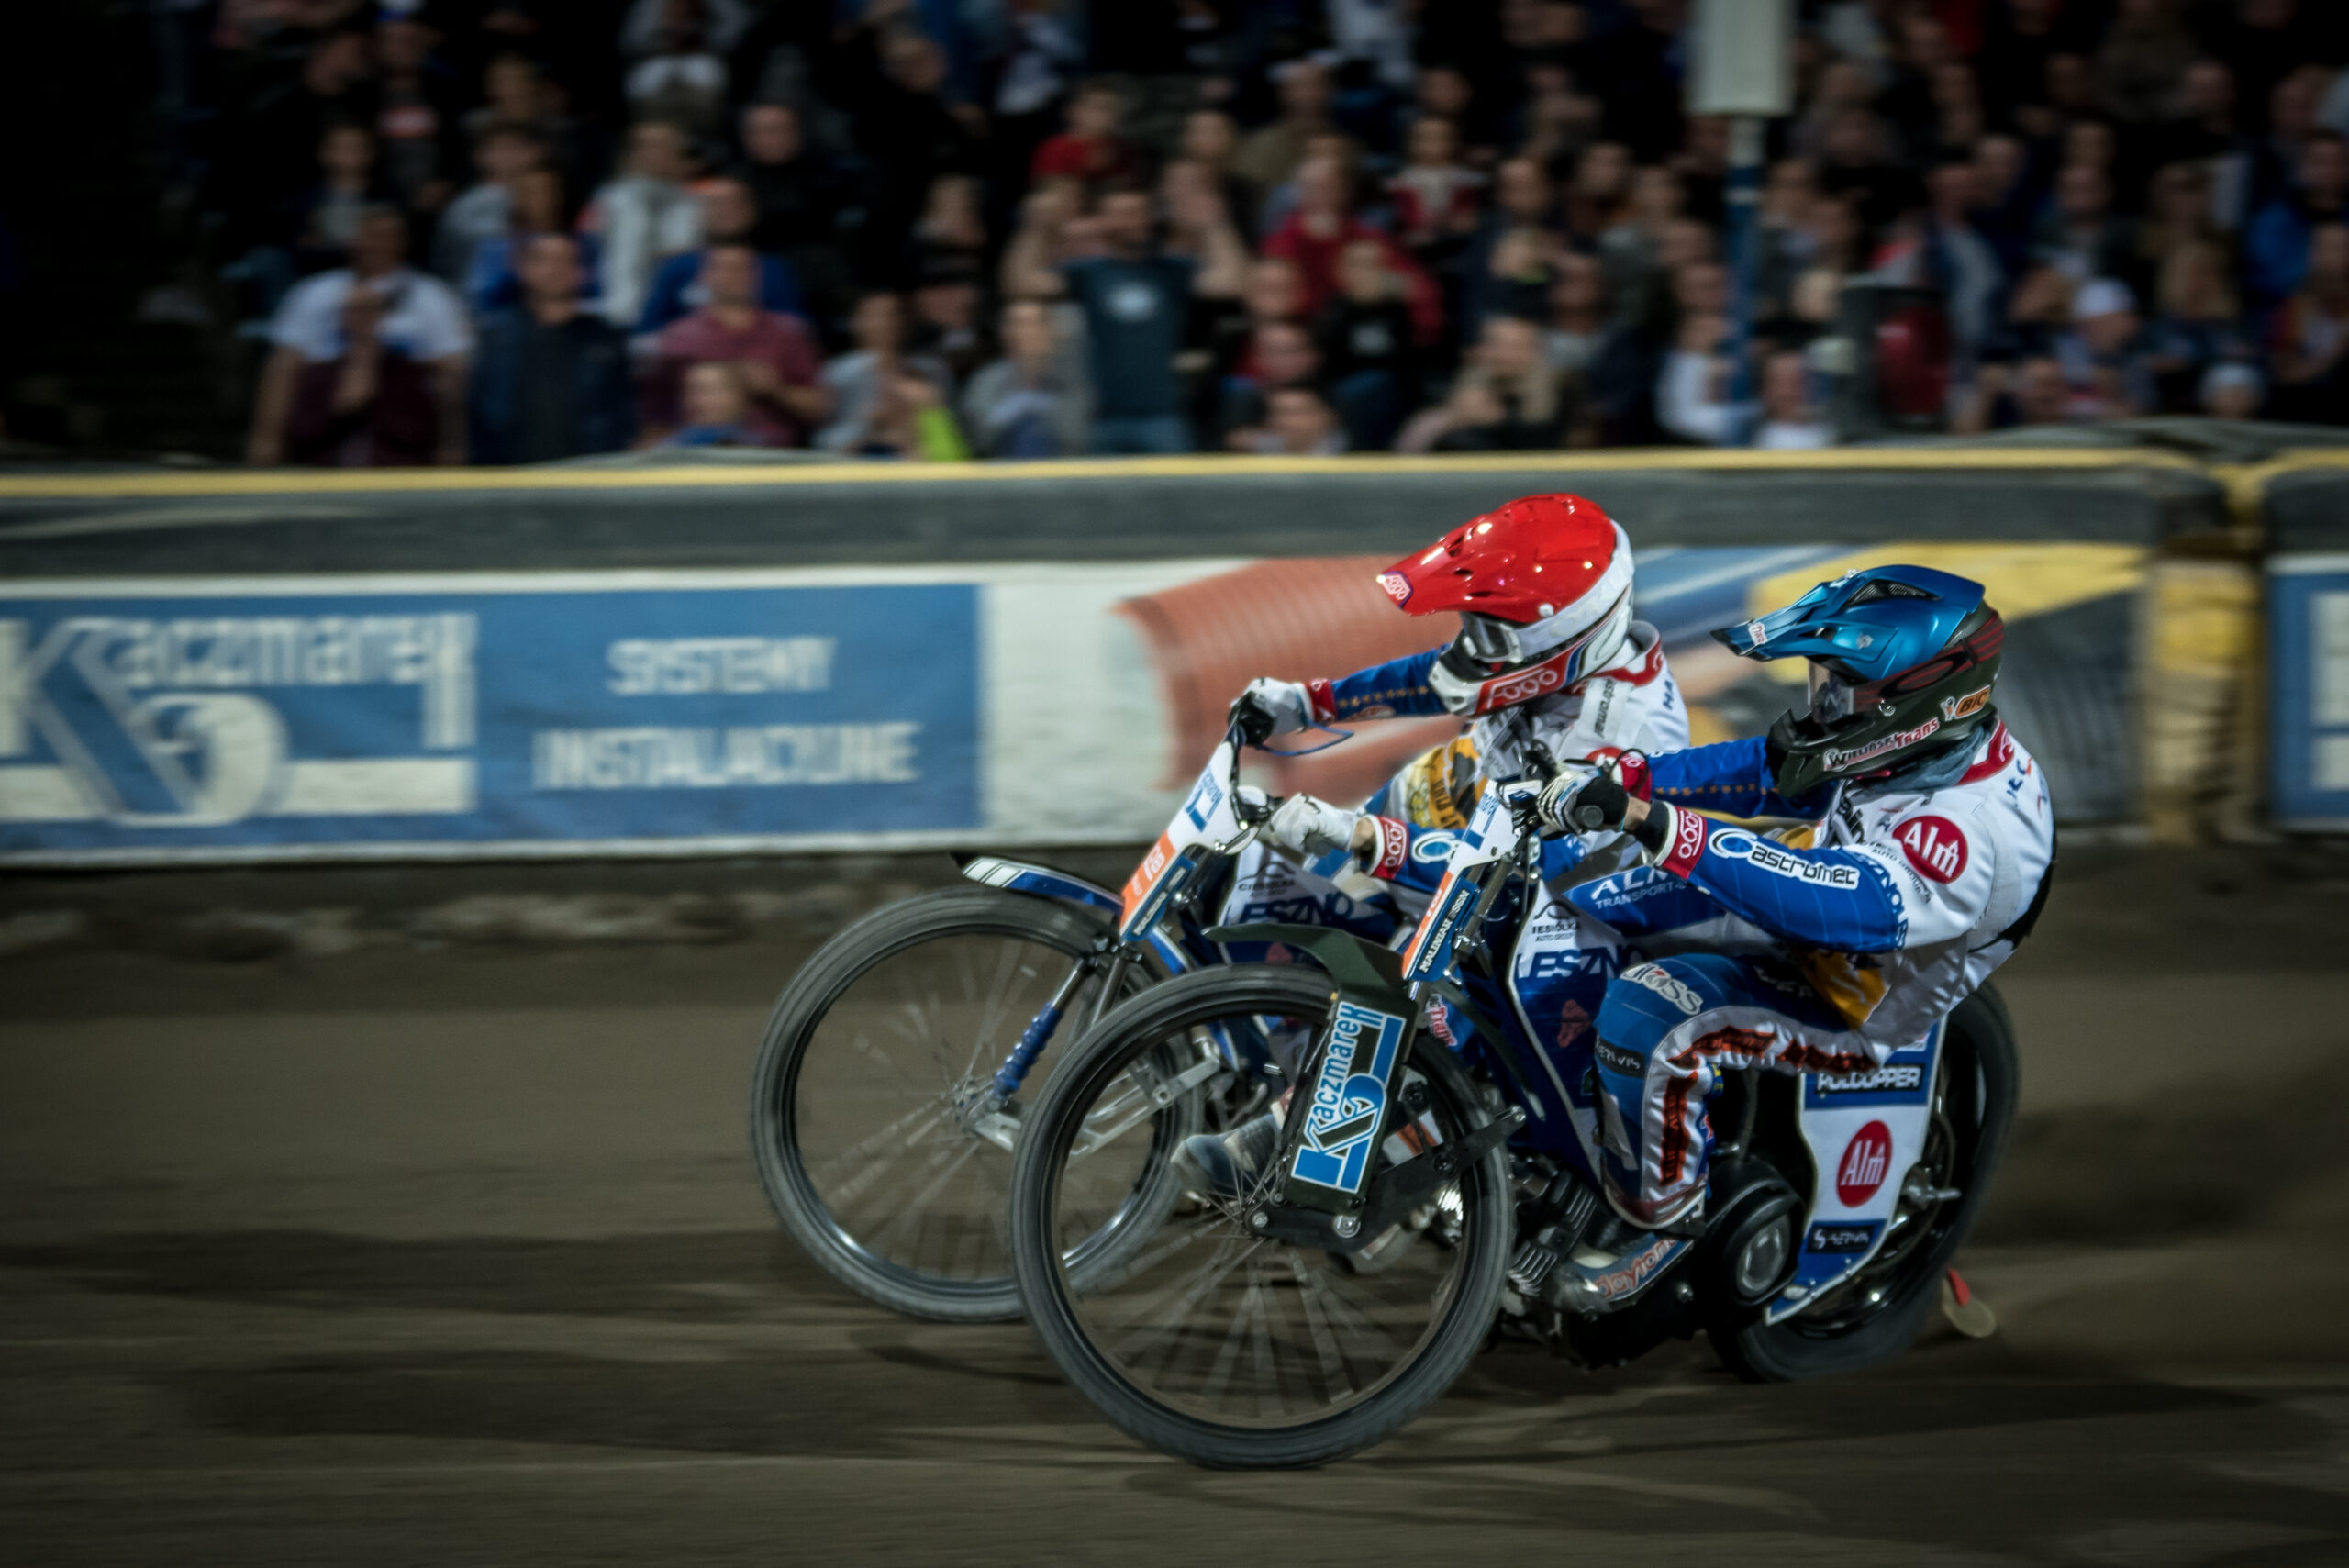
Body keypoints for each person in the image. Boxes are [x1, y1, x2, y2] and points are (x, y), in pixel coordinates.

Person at [1183, 495, 1689, 1195]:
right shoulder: (1556, 660)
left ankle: (1306, 1136)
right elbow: (1441, 677)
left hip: (1539, 908)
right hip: (1456, 836)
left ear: (1558, 642)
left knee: (1438, 985)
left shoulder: (1622, 739)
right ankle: (1293, 1072)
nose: (1472, 642)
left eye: (1490, 632)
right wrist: (1311, 702)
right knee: (1251, 878)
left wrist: (1360, 835)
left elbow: (1512, 879)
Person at [1520, 565, 2054, 1229]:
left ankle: (1654, 1214)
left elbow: (1828, 908)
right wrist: (1630, 778)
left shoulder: (1973, 833)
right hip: (1814, 890)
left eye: (1843, 690)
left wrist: (1657, 823)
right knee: (1568, 895)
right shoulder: (1912, 745)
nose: (1824, 704)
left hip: (1849, 999)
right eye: (1823, 683)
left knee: (1646, 1013)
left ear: (1913, 701)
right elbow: (1771, 772)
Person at [1003, 180, 1248, 453]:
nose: (1133, 221)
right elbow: (1021, 283)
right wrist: (1035, 229)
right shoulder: (1089, 272)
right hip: (1104, 418)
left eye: (1139, 212)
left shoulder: (1171, 270)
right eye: (1122, 213)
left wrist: (1216, 225)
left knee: (1176, 483)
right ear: (1104, 221)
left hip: (1164, 416)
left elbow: (1234, 281)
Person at [249, 206, 473, 466]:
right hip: (320, 428)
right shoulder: (313, 293)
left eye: (386, 236)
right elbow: (282, 367)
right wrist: (266, 437)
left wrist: (453, 445)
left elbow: (452, 376)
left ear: (404, 241)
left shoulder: (433, 298)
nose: (376, 244)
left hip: (401, 432)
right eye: (369, 235)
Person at [469, 233, 636, 463]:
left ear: (583, 272)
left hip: (589, 471)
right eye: (543, 260)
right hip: (507, 471)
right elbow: (477, 411)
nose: (555, 269)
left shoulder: (605, 340)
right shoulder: (494, 337)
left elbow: (623, 413)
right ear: (522, 268)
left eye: (567, 261)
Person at [646, 243, 828, 447]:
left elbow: (820, 409)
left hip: (771, 451)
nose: (733, 276)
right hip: (694, 448)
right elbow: (655, 413)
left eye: (742, 268)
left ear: (757, 275)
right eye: (723, 268)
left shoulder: (788, 333)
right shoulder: (678, 336)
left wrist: (776, 389)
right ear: (705, 275)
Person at [635, 176, 803, 336]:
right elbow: (649, 331)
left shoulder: (774, 268)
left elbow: (794, 326)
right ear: (699, 213)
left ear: (751, 211)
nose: (725, 211)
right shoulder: (676, 267)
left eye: (734, 204)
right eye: (715, 204)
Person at [584, 118, 701, 329]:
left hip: (674, 322)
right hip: (613, 315)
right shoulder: (608, 200)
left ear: (678, 152)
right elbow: (587, 253)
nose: (653, 153)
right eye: (644, 145)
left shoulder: (696, 206)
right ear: (632, 153)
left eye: (662, 146)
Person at [962, 298, 1091, 457]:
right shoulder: (986, 379)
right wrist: (1012, 408)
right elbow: (977, 440)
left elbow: (1082, 435)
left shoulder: (1080, 377)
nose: (1021, 332)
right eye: (1013, 324)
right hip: (1002, 468)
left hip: (1071, 466)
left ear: (1052, 330)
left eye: (1031, 324)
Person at [660, 361, 765, 447]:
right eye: (694, 390)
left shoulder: (762, 449)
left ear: (740, 395)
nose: (701, 400)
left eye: (714, 390)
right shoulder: (667, 449)